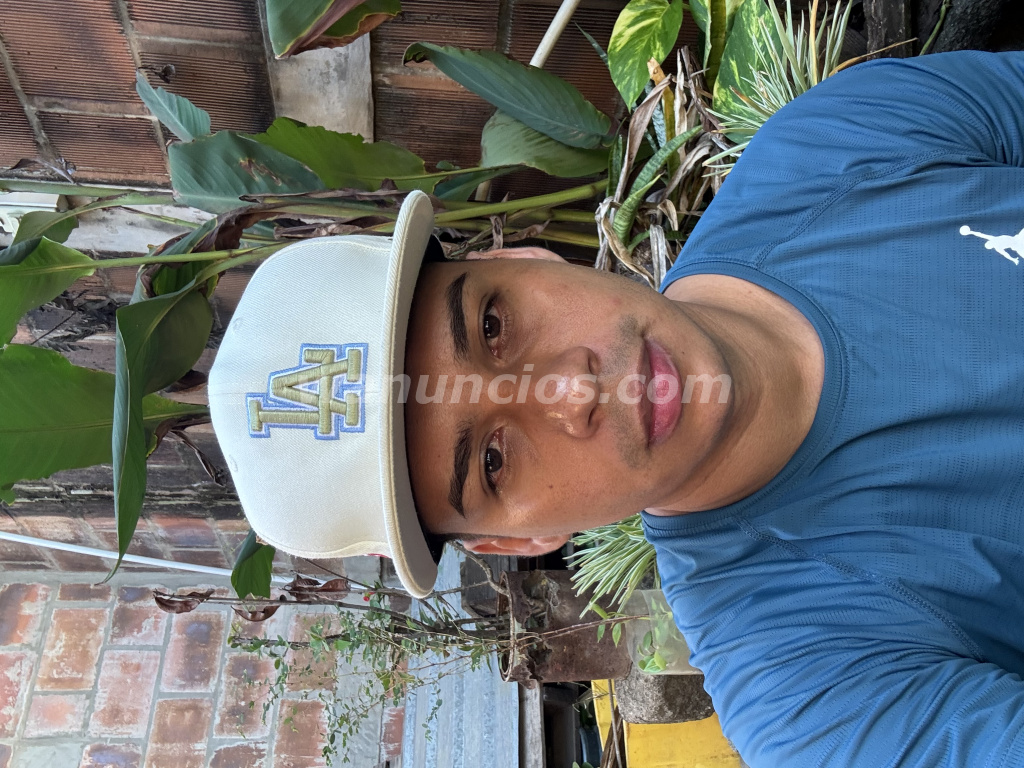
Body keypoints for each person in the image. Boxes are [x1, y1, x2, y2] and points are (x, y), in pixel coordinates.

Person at [209, 50, 1024, 766]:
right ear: (518, 541)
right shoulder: (814, 689)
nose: (572, 389)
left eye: (492, 326)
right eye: (491, 460)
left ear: (522, 256)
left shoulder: (836, 146)